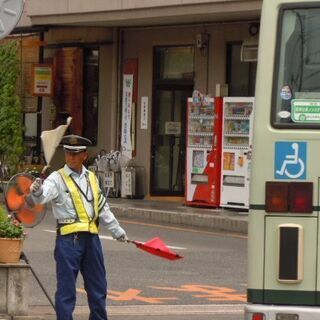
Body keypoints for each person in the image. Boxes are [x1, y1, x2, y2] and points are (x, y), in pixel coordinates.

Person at [29, 134, 127, 320]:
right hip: (68, 241)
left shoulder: (91, 178)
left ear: (85, 155)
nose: (71, 157)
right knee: (66, 292)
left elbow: (101, 207)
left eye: (76, 154)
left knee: (98, 288)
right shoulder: (56, 178)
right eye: (68, 153)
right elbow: (42, 197)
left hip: (92, 240)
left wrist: (116, 229)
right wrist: (37, 191)